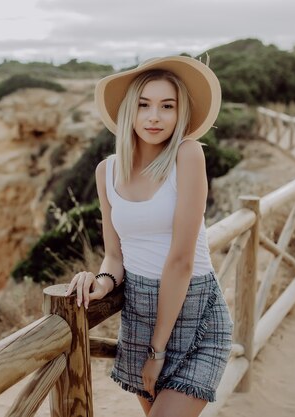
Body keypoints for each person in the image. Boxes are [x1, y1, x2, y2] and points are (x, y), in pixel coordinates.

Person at [64, 56, 233, 417]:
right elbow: (115, 255)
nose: (154, 116)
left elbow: (181, 260)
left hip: (194, 310)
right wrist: (102, 282)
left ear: (180, 114)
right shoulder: (106, 171)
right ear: (129, 111)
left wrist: (157, 352)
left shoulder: (187, 156)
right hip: (139, 316)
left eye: (166, 106)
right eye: (144, 105)